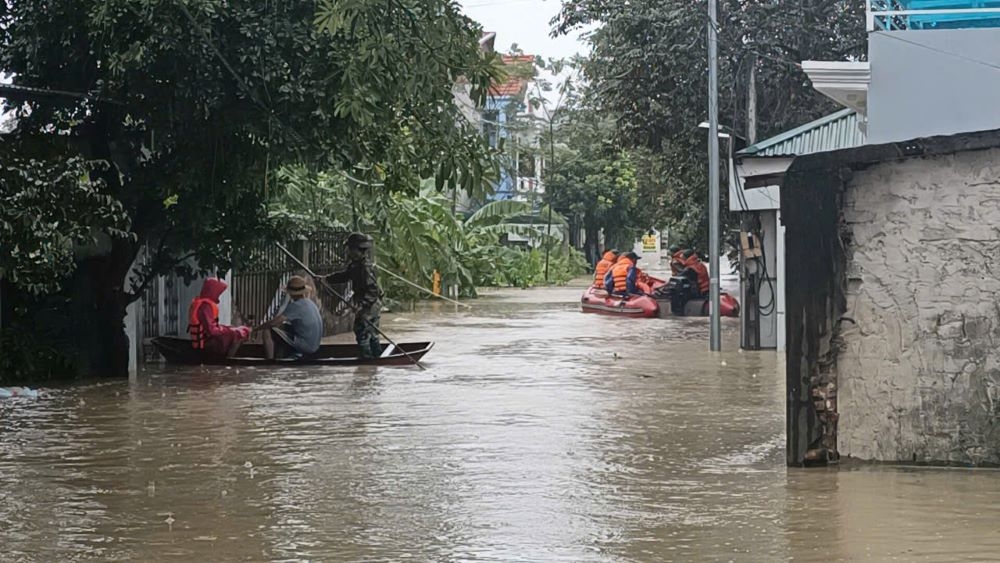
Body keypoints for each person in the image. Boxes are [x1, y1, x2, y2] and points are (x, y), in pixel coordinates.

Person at [321, 233, 384, 359]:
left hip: (370, 304)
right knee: (370, 332)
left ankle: (367, 361)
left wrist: (362, 305)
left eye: (350, 248)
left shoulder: (365, 267)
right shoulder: (356, 265)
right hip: (368, 303)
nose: (348, 251)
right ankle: (376, 358)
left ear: (356, 250)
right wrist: (326, 279)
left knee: (363, 332)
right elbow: (345, 276)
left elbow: (372, 290)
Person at [261, 275, 323, 360]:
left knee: (267, 329)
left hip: (306, 346)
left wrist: (256, 329)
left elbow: (273, 323)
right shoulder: (310, 303)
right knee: (283, 326)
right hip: (315, 345)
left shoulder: (296, 305)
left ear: (290, 293)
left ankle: (270, 361)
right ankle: (281, 356)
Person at [188, 277, 251, 357]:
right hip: (207, 345)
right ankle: (228, 360)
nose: (219, 295)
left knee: (235, 331)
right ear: (213, 291)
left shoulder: (203, 303)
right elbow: (212, 331)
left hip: (205, 342)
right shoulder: (205, 307)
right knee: (238, 335)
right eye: (218, 293)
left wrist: (229, 329)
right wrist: (233, 331)